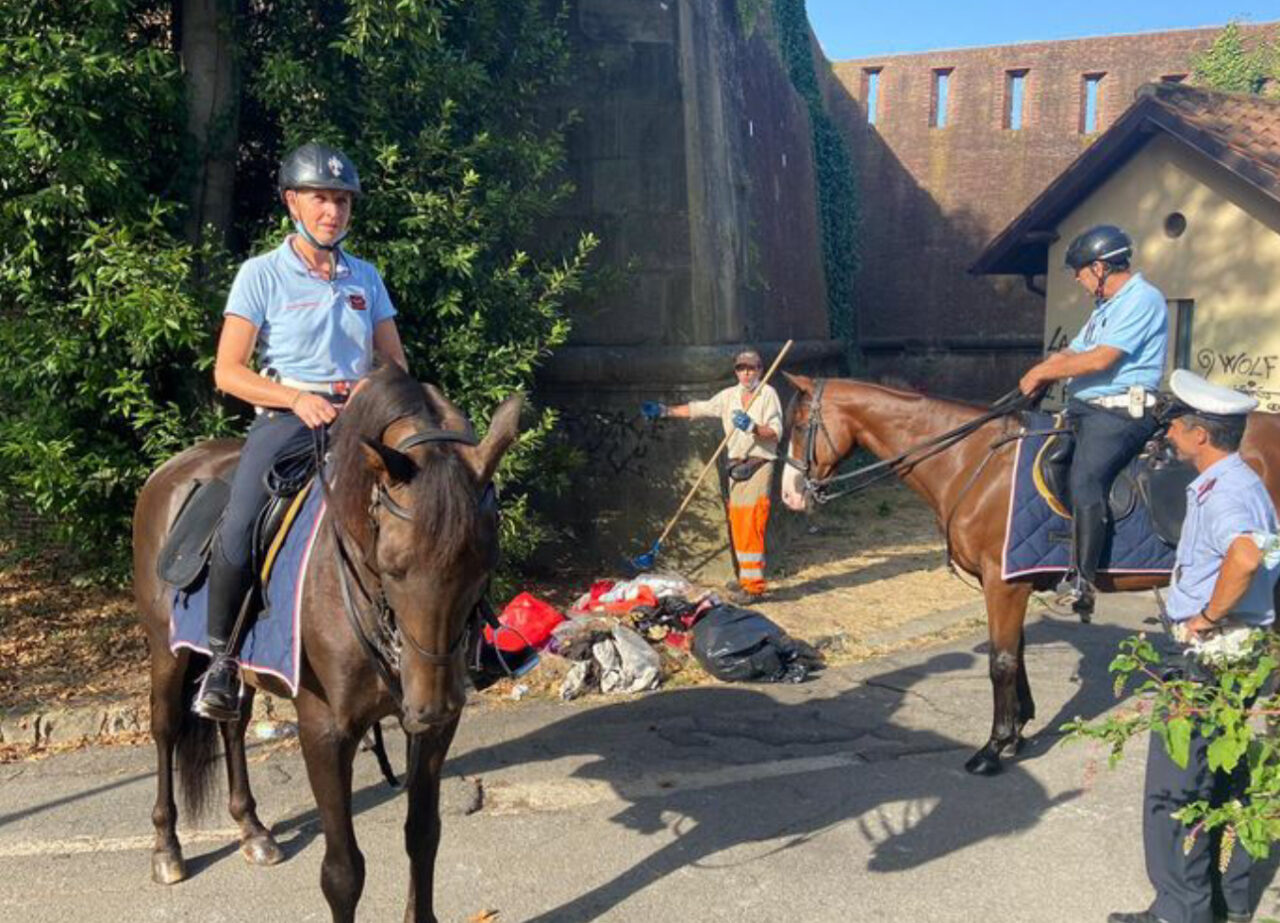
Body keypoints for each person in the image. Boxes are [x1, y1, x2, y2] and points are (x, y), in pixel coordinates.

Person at [193, 141, 408, 721]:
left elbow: (395, 363)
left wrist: (371, 387)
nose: (333, 211)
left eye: (343, 201)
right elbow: (228, 371)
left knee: (437, 492)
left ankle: (469, 637)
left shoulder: (366, 277)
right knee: (241, 524)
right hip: (288, 419)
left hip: (361, 419)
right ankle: (221, 661)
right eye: (321, 199)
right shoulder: (260, 275)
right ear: (293, 202)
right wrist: (295, 397)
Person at [1108, 370, 1279, 923]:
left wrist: (1206, 616)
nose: (1169, 434)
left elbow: (1246, 556)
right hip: (1241, 647)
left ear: (1199, 434)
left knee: (1176, 788)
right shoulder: (1240, 482)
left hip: (1210, 651)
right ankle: (1226, 900)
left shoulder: (1224, 490)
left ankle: (1179, 913)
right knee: (1225, 777)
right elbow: (1261, 551)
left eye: (1176, 425)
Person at [1019, 224, 1170, 618]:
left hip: (1120, 413)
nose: (1077, 278)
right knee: (1043, 460)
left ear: (1100, 267)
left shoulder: (1143, 299)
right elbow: (1075, 350)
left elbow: (1102, 359)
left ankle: (1082, 582)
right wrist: (1043, 370)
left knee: (1086, 478)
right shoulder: (1106, 307)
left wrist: (1044, 372)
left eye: (1080, 270)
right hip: (1085, 409)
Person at [642, 349, 783, 599]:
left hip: (759, 464)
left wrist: (753, 427)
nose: (746, 373)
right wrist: (665, 411)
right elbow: (700, 408)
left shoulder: (767, 394)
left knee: (751, 522)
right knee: (738, 521)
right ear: (736, 372)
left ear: (760, 370)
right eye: (741, 368)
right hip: (736, 466)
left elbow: (775, 432)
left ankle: (753, 587)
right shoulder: (729, 396)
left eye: (751, 368)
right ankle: (745, 578)